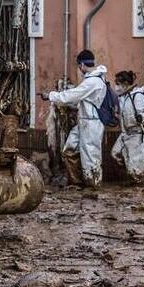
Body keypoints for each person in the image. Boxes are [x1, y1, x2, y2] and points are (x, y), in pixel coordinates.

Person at [41, 50, 108, 188]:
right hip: (84, 121)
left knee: (91, 156)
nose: (79, 68)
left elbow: (72, 95)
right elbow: (78, 98)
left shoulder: (93, 81)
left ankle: (93, 185)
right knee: (69, 149)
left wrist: (51, 96)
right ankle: (78, 181)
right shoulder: (94, 80)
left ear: (82, 65)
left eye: (79, 66)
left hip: (91, 123)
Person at [111, 70, 144, 184]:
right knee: (115, 153)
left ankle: (138, 187)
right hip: (126, 133)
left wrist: (142, 118)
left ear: (125, 84)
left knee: (135, 170)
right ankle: (133, 168)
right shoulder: (123, 97)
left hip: (139, 134)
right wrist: (117, 115)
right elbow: (126, 114)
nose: (116, 86)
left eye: (118, 83)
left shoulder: (138, 96)